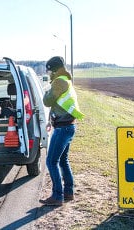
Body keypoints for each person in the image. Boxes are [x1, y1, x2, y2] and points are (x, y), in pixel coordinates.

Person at [39, 56, 84, 206]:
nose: (48, 72)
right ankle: (68, 192)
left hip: (63, 128)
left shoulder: (58, 82)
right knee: (63, 161)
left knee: (51, 161)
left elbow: (47, 101)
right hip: (68, 126)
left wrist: (47, 90)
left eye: (49, 70)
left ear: (54, 69)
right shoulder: (66, 80)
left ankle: (57, 196)